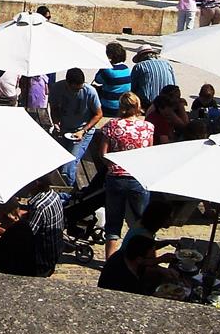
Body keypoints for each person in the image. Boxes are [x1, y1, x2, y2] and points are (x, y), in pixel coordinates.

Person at [97, 95, 154, 259]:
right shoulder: (147, 127)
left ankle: (110, 261)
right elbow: (149, 153)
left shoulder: (112, 125)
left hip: (116, 178)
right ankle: (146, 257)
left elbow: (103, 153)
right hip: (138, 177)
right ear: (138, 106)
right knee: (144, 222)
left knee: (113, 223)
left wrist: (112, 167)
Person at [0, 189, 65, 277]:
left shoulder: (16, 232)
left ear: (3, 214)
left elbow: (0, 269)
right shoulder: (22, 225)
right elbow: (9, 246)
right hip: (32, 263)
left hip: (17, 274)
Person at [50, 67, 103, 185]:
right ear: (67, 83)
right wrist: (56, 123)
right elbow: (54, 108)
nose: (78, 91)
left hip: (83, 130)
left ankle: (67, 189)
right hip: (64, 129)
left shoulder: (90, 91)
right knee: (58, 159)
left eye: (80, 88)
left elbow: (99, 114)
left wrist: (83, 131)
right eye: (74, 89)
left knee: (69, 163)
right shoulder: (57, 88)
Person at [93, 42, 133, 116]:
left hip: (109, 107)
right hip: (122, 106)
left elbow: (97, 80)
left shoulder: (107, 70)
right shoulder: (126, 69)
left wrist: (103, 66)